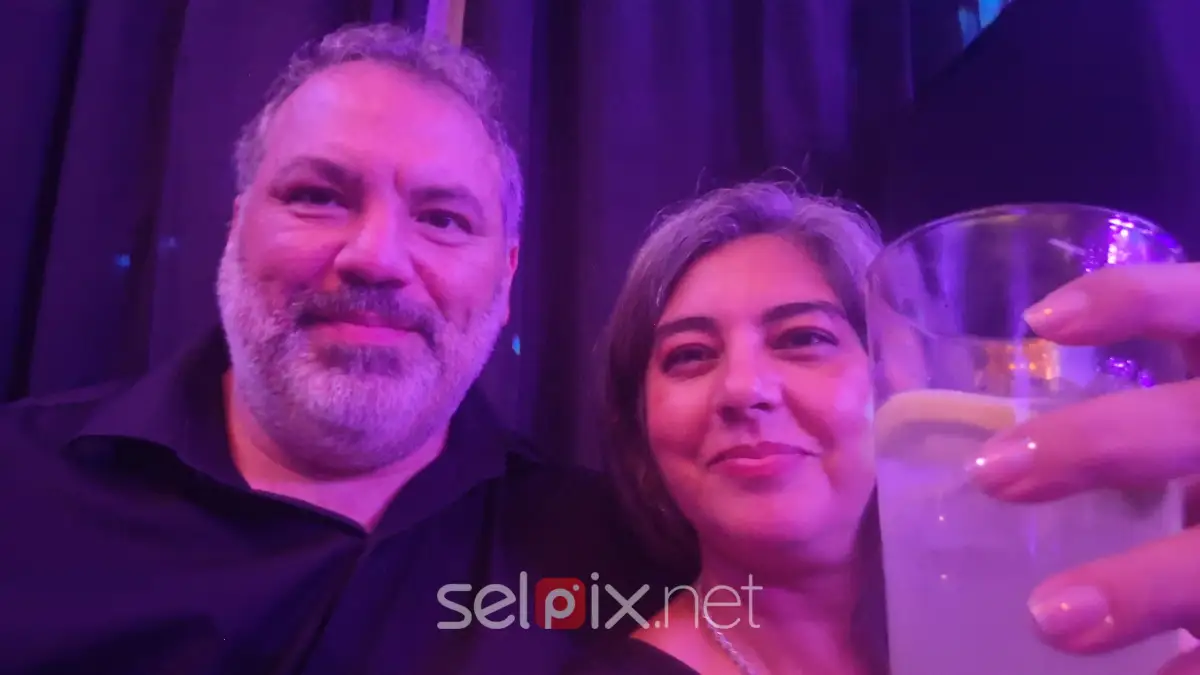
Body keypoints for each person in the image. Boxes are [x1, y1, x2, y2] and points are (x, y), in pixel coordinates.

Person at [0, 23, 676, 674]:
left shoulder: (613, 568)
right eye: (318, 197)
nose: (376, 258)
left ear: (506, 276)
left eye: (443, 219)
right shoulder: (19, 483)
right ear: (236, 229)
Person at [562, 180, 1200, 674]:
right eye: (690, 355)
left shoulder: (1053, 600)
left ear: (906, 382)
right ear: (642, 431)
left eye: (802, 338)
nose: (743, 389)